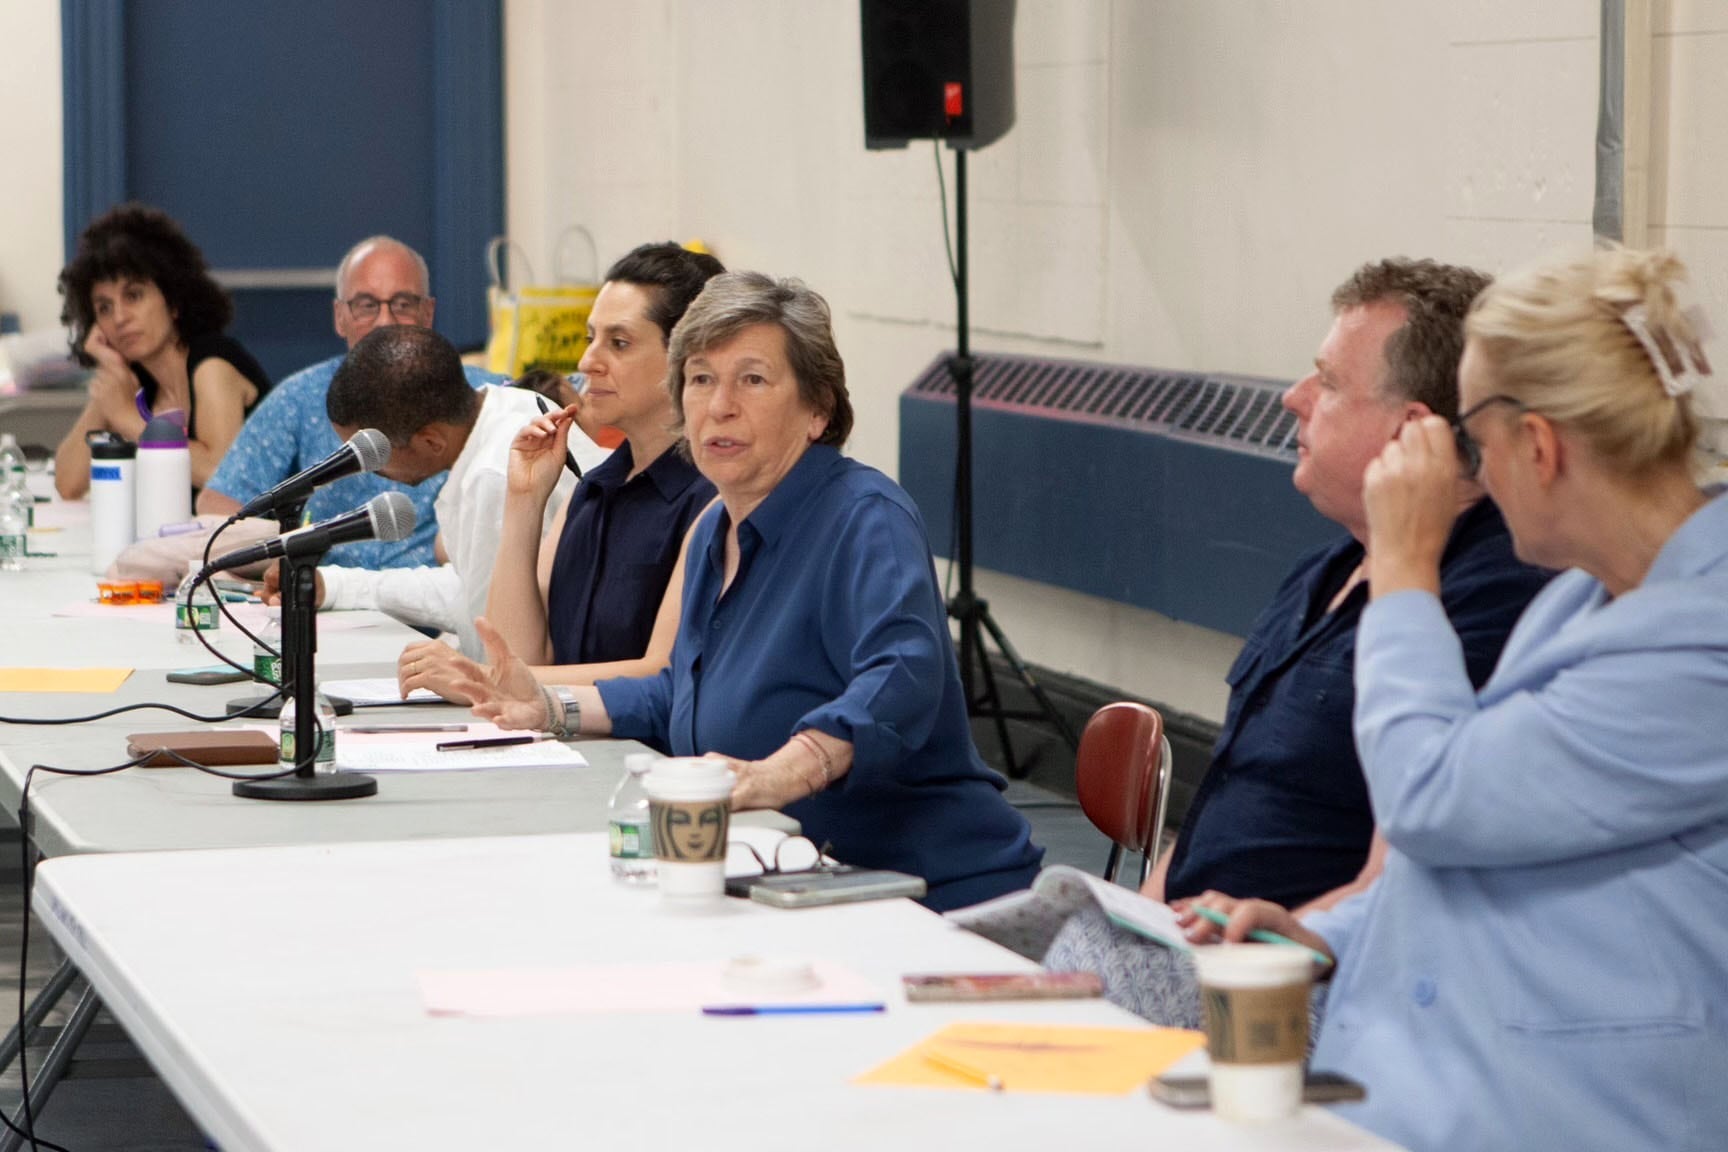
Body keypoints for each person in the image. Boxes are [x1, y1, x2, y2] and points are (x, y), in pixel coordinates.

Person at [1184, 247, 1728, 1149]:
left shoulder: (1704, 642)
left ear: (1539, 446)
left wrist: (1402, 565)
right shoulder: (1582, 599)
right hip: (1447, 1078)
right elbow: (1501, 843)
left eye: (1471, 437)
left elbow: (1431, 799)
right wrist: (1332, 935)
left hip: (1587, 1110)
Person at [1043, 259, 1550, 1024]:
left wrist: (1280, 945)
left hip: (1308, 989)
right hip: (1190, 951)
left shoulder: (1487, 598)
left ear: (1413, 433)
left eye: (1329, 384)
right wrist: (1143, 911)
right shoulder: (1326, 570)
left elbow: (1408, 876)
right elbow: (1232, 793)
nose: (1294, 398)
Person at [451, 272, 1044, 911]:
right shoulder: (718, 526)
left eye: (752, 379)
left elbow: (905, 672)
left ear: (818, 409)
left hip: (922, 892)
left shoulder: (865, 515)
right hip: (785, 876)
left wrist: (787, 769)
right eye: (701, 379)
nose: (719, 405)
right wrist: (548, 705)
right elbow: (680, 688)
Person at [398, 242, 723, 696]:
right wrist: (523, 503)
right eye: (592, 338)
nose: (589, 362)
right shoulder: (594, 487)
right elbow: (516, 655)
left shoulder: (712, 497)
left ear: (686, 359)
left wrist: (486, 680)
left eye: (620, 343)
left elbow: (663, 674)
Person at [261, 326, 594, 658]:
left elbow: (495, 652)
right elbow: (472, 591)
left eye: (375, 456)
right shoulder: (509, 406)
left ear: (431, 442)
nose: (370, 470)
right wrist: (334, 586)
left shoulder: (495, 474)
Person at [196, 236, 506, 568]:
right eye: (367, 305)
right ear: (340, 316)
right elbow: (220, 504)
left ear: (427, 313)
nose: (385, 321)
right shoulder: (301, 396)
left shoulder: (484, 396)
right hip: (327, 602)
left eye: (402, 304)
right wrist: (287, 565)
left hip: (438, 605)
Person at [54, 203, 272, 499]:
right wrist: (111, 377)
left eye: (134, 295)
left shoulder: (212, 363)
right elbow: (68, 483)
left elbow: (222, 476)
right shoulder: (140, 380)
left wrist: (126, 416)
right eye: (104, 307)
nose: (119, 318)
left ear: (173, 300)